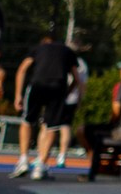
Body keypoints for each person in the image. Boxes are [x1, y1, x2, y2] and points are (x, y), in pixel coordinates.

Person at [11, 29, 82, 184]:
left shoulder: (39, 48)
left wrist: (18, 95)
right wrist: (67, 94)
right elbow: (77, 79)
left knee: (27, 121)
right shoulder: (67, 51)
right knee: (52, 126)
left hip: (38, 84)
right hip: (58, 86)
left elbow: (22, 69)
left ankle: (23, 159)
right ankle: (41, 165)